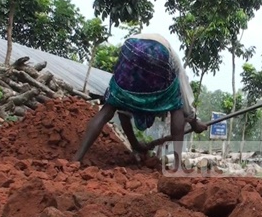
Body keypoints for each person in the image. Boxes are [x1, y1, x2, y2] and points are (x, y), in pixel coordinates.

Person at [72, 33, 207, 169]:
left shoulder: (134, 87)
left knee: (112, 104)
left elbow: (123, 113)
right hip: (160, 53)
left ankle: (76, 159)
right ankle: (177, 167)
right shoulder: (176, 64)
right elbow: (184, 97)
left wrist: (135, 144)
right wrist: (194, 122)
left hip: (130, 48)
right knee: (176, 105)